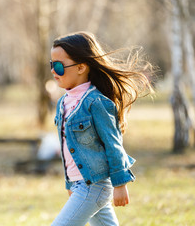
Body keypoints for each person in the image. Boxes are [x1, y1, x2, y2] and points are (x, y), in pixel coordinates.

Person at [50, 32, 153, 226]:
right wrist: (69, 183)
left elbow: (113, 144)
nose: (54, 71)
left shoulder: (96, 102)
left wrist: (120, 184)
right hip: (81, 184)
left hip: (94, 186)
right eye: (51, 65)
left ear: (81, 67)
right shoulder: (63, 102)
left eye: (59, 66)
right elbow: (67, 148)